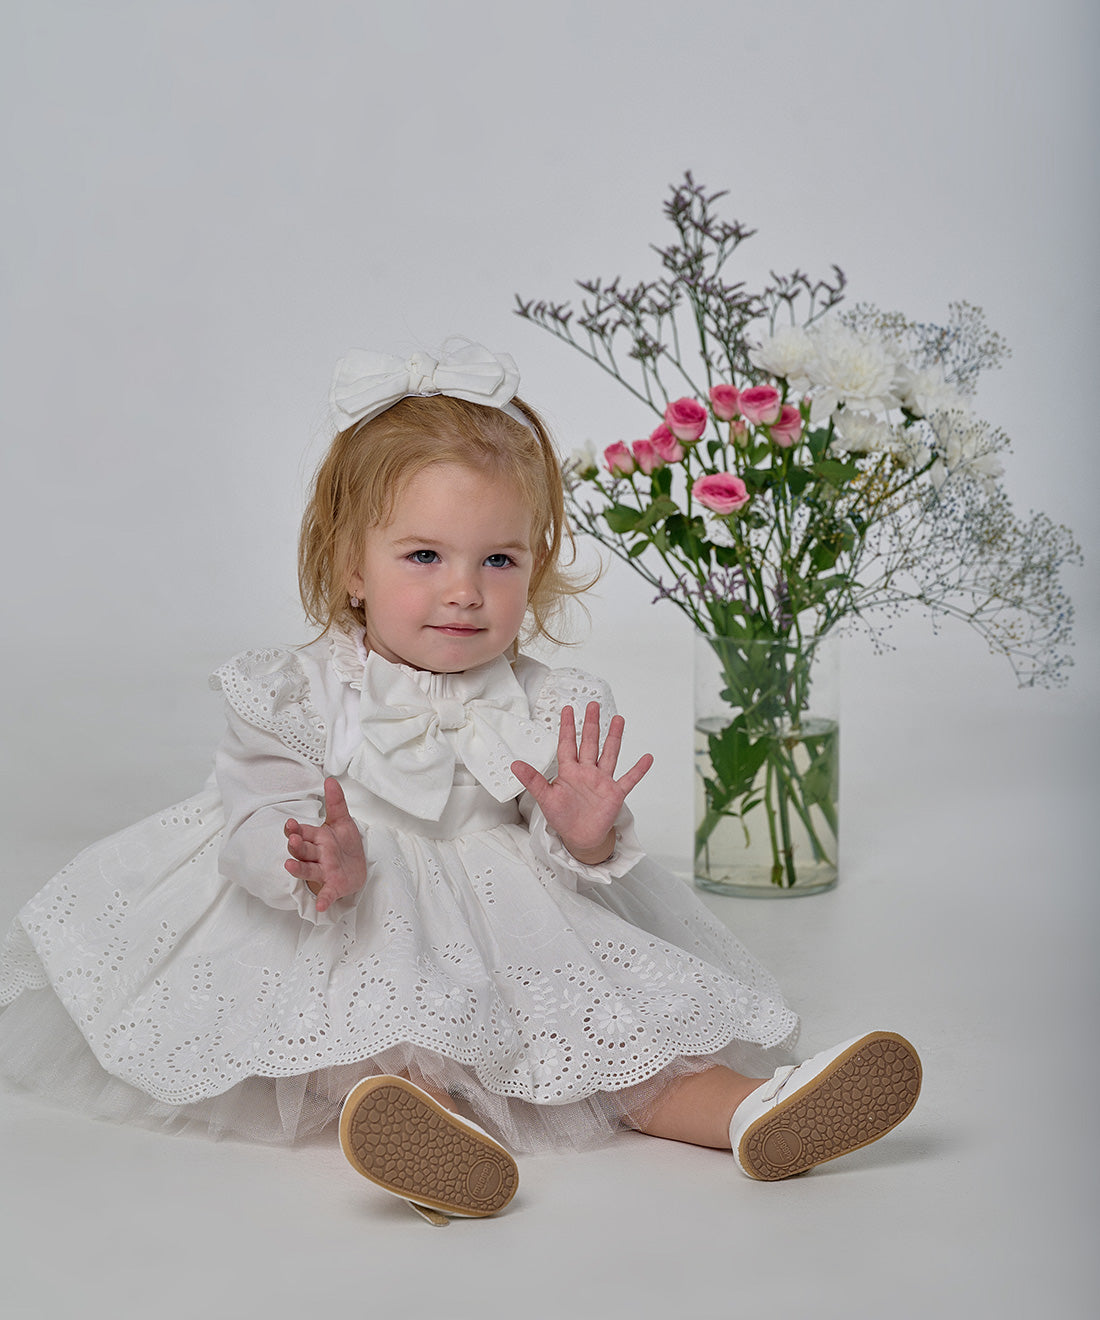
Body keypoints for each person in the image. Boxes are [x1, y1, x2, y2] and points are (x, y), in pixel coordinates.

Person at [0, 341, 921, 1223]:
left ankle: (753, 1111)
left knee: (618, 1033)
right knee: (381, 1025)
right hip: (348, 917)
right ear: (350, 566)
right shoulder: (298, 691)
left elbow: (563, 847)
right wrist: (313, 862)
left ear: (535, 565)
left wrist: (585, 834)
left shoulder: (546, 699)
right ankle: (421, 1133)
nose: (465, 591)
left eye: (498, 560)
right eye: (424, 557)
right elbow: (253, 816)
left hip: (511, 921)